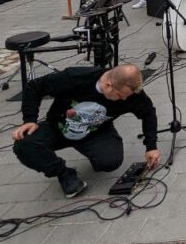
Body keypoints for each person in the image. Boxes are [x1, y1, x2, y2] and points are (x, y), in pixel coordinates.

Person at [12, 64, 159, 198]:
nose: (124, 100)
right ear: (109, 85)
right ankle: (64, 174)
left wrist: (151, 146)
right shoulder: (76, 77)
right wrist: (30, 120)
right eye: (120, 96)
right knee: (23, 144)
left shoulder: (130, 93)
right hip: (59, 128)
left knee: (110, 161)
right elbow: (34, 86)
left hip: (95, 131)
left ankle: (95, 150)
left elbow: (148, 113)